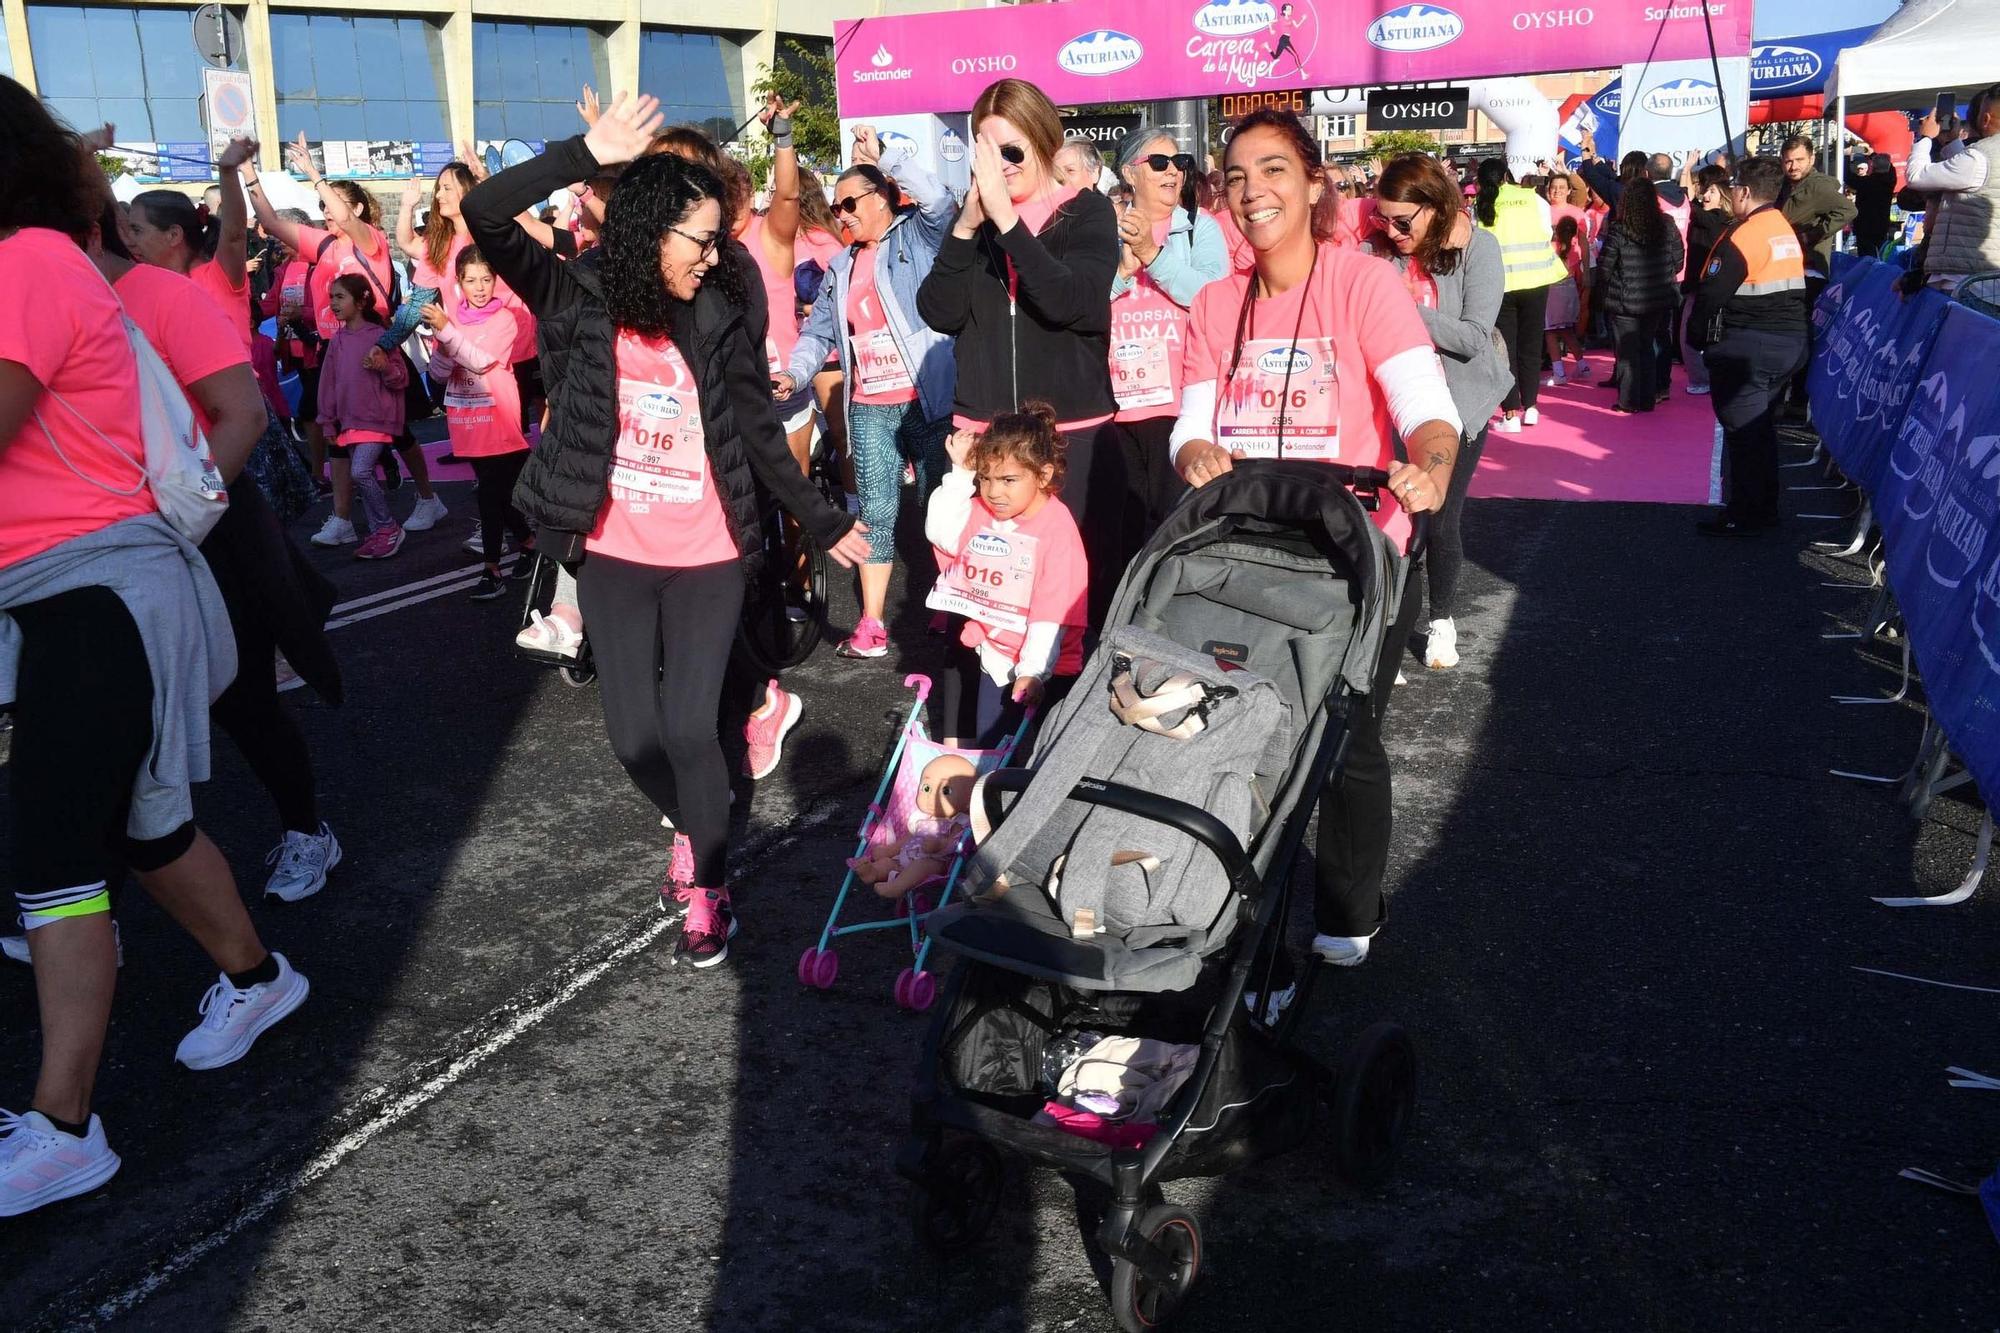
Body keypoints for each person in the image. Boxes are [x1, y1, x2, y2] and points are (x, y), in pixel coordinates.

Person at [462, 93, 869, 968]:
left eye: (720, 237)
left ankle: (711, 885)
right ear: (651, 231)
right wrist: (582, 151)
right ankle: (693, 823)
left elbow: (758, 428)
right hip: (611, 551)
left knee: (690, 728)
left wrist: (820, 514)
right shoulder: (573, 294)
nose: (713, 253)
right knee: (634, 738)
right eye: (700, 238)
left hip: (707, 554)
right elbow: (483, 211)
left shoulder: (720, 306)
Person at [0, 81, 309, 1215]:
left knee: (53, 857)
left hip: (96, 582)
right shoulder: (36, 258)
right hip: (73, 586)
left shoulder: (25, 260)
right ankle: (260, 976)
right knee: (147, 825)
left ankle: (64, 1125)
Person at [1171, 110, 1462, 971]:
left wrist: (1431, 468)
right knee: (1229, 717)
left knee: (1343, 733)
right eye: (1235, 176)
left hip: (1356, 550)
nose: (1252, 190)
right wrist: (1194, 450)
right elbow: (1191, 429)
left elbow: (1426, 409)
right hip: (1247, 549)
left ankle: (1349, 904)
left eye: (1271, 171)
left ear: (1311, 184)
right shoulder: (1217, 304)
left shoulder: (1363, 284)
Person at [81, 204, 345, 908]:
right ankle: (78, 904)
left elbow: (245, 414)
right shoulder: (55, 303)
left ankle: (306, 830)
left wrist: (177, 521)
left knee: (244, 702)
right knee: (113, 724)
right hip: (103, 548)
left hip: (204, 533)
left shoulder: (166, 295)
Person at [917, 78, 1121, 630]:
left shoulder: (1087, 213)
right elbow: (938, 310)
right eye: (987, 153)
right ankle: (985, 712)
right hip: (986, 433)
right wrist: (966, 225)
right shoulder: (976, 228)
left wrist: (1007, 222)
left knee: (1068, 599)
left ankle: (1063, 709)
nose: (1000, 167)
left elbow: (1069, 302)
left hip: (1070, 434)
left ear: (1045, 142)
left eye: (1012, 151)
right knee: (987, 596)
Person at [777, 124, 956, 661]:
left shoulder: (916, 236)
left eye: (851, 202)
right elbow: (821, 333)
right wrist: (796, 372)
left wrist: (888, 159)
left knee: (938, 508)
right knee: (875, 512)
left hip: (928, 399)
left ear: (882, 199)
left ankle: (953, 606)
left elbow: (941, 199)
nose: (843, 214)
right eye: (836, 208)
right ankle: (873, 624)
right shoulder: (840, 264)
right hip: (870, 406)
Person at [240, 137, 448, 545]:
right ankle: (343, 519)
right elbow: (272, 219)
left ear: (354, 210)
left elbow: (342, 214)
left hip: (376, 352)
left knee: (397, 433)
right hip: (332, 354)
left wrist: (315, 175)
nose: (326, 215)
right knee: (334, 434)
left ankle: (427, 498)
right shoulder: (325, 247)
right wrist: (250, 175)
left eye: (333, 206)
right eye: (322, 209)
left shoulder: (371, 242)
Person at [1369, 153, 1509, 673]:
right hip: (1391, 403)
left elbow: (1474, 338)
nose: (1393, 229)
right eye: (1384, 218)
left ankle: (1442, 620)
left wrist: (1399, 308)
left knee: (1440, 516)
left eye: (1403, 220)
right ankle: (1386, 631)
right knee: (1391, 518)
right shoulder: (1378, 248)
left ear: (1435, 208)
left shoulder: (1479, 248)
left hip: (1459, 402)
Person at [925, 406, 1087, 748]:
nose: (994, 492)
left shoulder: (1057, 530)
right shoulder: (985, 512)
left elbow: (1052, 611)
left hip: (1045, 667)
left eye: (1008, 480)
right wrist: (958, 473)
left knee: (1030, 758)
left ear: (1043, 476)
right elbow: (941, 533)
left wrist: (1032, 671)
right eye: (985, 478)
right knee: (988, 752)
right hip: (996, 657)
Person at [1107, 126, 1228, 538]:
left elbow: (1213, 299)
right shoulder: (1102, 229)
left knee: (1174, 528)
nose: (1173, 171)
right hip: (1114, 404)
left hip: (1178, 402)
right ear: (1129, 172)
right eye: (1159, 163)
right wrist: (1123, 272)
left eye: (1180, 163)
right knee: (1121, 534)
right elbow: (1080, 304)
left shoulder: (1200, 227)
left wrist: (1151, 256)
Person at [1692, 156, 1809, 536]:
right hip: (1787, 343)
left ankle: (1745, 513)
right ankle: (1762, 508)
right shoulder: (1781, 228)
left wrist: (1696, 336)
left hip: (1749, 344)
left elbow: (1711, 293)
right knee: (1760, 431)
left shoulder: (1744, 235)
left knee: (1743, 434)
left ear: (1743, 192)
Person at [423, 247, 535, 600]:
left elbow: (480, 362)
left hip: (498, 418)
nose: (480, 287)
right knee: (498, 495)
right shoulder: (451, 319)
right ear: (459, 283)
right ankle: (531, 544)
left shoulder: (504, 319)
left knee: (488, 494)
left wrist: (448, 336)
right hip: (466, 420)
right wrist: (442, 343)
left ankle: (491, 570)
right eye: (471, 280)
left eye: (486, 279)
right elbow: (439, 375)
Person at [316, 275, 411, 558]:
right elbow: (328, 383)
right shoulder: (337, 341)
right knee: (361, 474)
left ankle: (388, 527)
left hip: (377, 419)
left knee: (359, 471)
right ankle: (378, 531)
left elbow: (400, 378)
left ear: (361, 301)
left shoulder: (379, 337)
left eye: (340, 297)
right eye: (332, 297)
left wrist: (383, 367)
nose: (333, 303)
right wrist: (327, 419)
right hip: (350, 421)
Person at [1474, 158, 1568, 434]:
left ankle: (1511, 412)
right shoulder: (1532, 199)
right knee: (1530, 345)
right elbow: (1547, 231)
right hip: (1537, 279)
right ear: (1507, 174)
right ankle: (1532, 407)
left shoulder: (1482, 205)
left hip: (1501, 284)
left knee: (1506, 349)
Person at [125, 143, 252, 345]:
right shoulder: (147, 282)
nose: (128, 239)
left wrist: (227, 172)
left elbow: (235, 236)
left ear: (174, 234)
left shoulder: (218, 277)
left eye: (137, 230)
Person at [1777, 135, 1855, 413]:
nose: (1793, 165)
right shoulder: (1785, 185)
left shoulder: (1818, 187)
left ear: (1811, 159)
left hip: (1809, 271)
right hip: (1788, 268)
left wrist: (1811, 235)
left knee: (1799, 338)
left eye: (1798, 160)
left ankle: (1798, 400)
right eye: (1788, 160)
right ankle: (1790, 397)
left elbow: (1848, 210)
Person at [1594, 178, 1684, 414]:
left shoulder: (1620, 228)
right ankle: (1647, 398)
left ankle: (1628, 400)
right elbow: (1678, 261)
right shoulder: (1667, 224)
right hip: (1657, 298)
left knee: (1627, 351)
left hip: (1625, 300)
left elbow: (1605, 266)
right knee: (1646, 347)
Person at [1905, 90, 2000, 292]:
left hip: (1966, 277)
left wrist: (1924, 138)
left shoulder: (1979, 157)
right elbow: (1975, 180)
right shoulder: (1981, 159)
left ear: (1986, 118)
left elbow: (1916, 177)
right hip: (1985, 274)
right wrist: (1951, 141)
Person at [1680, 163, 1733, 397]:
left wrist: (1686, 172)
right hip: (1698, 285)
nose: (1705, 195)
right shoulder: (1708, 218)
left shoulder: (1717, 219)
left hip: (1708, 286)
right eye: (1705, 190)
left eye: (1711, 191)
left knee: (1692, 333)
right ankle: (1703, 377)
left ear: (1722, 196)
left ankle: (1702, 379)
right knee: (1695, 333)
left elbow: (1687, 204)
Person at [1542, 216, 1591, 386]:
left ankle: (1559, 372)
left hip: (1552, 290)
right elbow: (1577, 273)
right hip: (1569, 291)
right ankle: (1582, 365)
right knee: (1567, 331)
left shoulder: (1550, 247)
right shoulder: (1575, 252)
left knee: (1549, 332)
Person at [1851, 151, 1897, 258]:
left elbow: (1850, 177)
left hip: (1864, 226)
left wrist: (1849, 155)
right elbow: (1890, 168)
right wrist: (1874, 155)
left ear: (1872, 167)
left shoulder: (1866, 183)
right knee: (1882, 254)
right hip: (1882, 224)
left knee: (1866, 258)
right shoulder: (1890, 181)